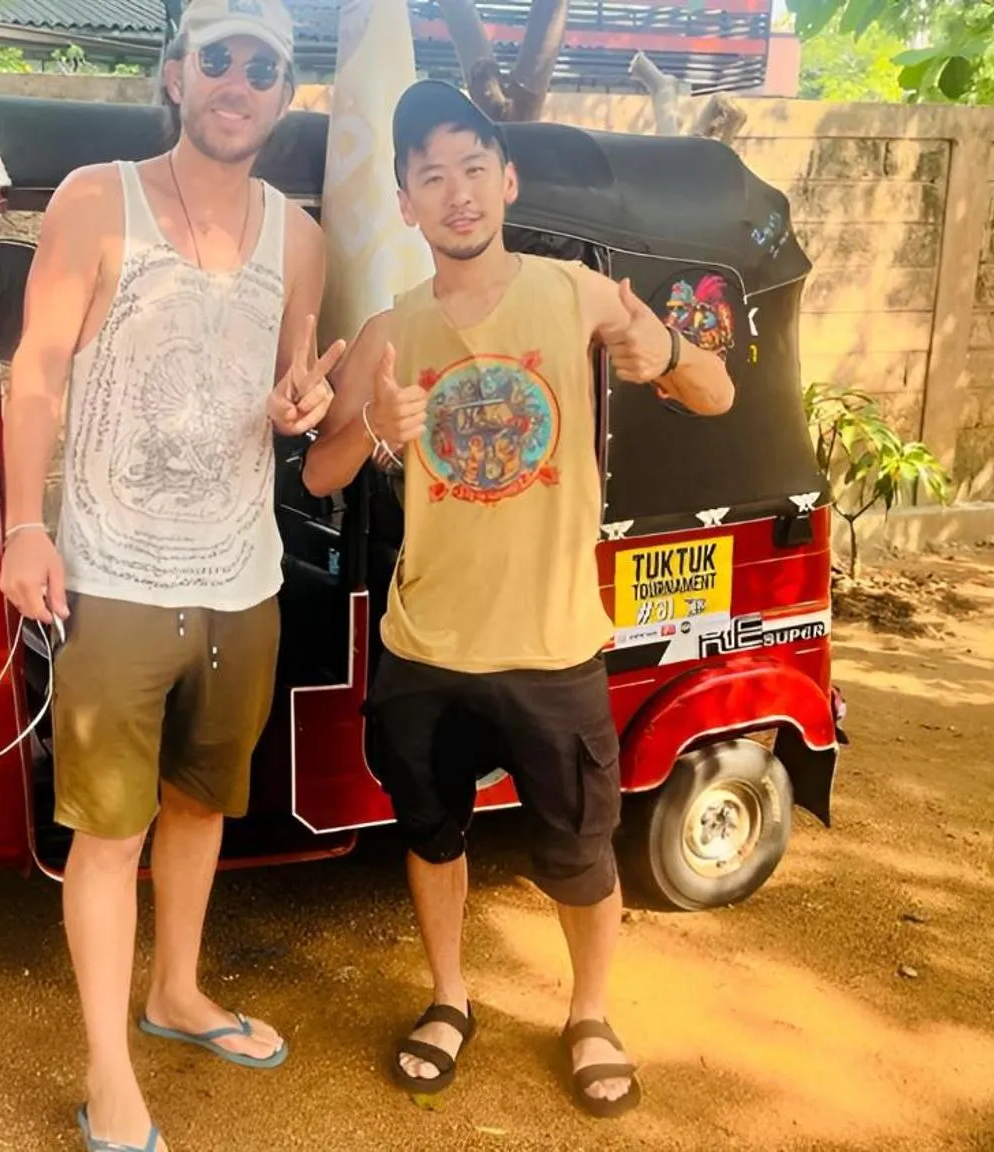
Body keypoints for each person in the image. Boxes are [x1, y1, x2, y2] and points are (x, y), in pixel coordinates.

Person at [300, 80, 736, 1120]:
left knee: (579, 853)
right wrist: (375, 430)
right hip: (425, 644)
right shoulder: (389, 330)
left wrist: (666, 352)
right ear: (405, 203)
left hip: (551, 645)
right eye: (429, 175)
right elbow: (320, 473)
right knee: (432, 834)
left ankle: (590, 1014)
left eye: (471, 168)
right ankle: (449, 997)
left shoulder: (578, 294)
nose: (454, 192)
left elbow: (714, 393)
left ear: (506, 181)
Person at [0, 1, 342, 1148]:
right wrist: (25, 526)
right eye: (219, 59)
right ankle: (110, 1074)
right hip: (114, 575)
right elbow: (38, 369)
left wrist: (301, 409)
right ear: (176, 74)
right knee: (111, 832)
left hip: (242, 579)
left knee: (200, 802)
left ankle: (176, 992)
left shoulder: (301, 239)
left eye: (264, 67)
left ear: (285, 92)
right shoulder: (98, 199)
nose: (240, 82)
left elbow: (293, 389)